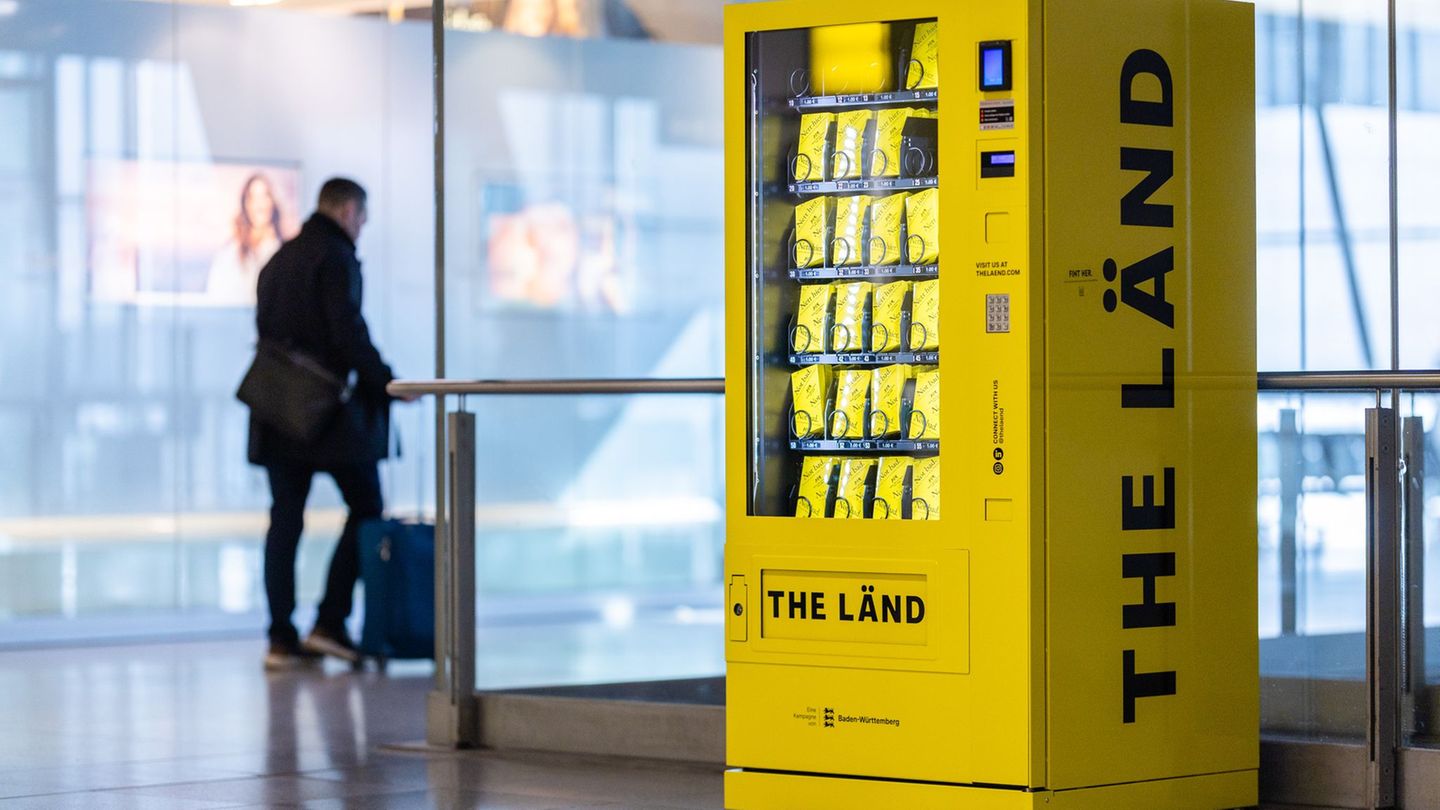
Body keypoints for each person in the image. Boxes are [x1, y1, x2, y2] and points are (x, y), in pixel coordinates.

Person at [248, 177, 399, 671]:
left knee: (285, 519)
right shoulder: (336, 258)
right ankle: (330, 623)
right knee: (367, 507)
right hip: (327, 414)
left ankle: (280, 637)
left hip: (276, 408)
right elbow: (347, 332)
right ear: (348, 211)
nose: (362, 228)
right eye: (362, 218)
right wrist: (386, 381)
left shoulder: (279, 258)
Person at [208, 172, 286, 305]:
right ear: (246, 204)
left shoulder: (283, 252)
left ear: (272, 202)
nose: (260, 205)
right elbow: (216, 294)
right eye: (253, 198)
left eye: (265, 196)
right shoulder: (230, 252)